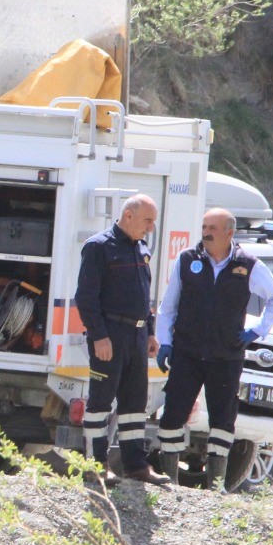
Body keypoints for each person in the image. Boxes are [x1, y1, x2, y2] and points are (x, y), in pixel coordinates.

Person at [155, 208, 273, 490]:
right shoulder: (187, 260)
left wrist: (258, 330)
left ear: (229, 233)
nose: (206, 232)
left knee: (223, 419)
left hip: (226, 356)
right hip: (187, 353)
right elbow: (168, 308)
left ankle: (216, 487)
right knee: (172, 415)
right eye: (204, 226)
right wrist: (165, 342)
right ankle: (170, 483)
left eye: (213, 228)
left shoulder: (247, 264)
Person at [75, 195, 168, 486]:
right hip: (110, 335)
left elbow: (145, 294)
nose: (151, 228)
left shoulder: (141, 248)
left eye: (153, 221)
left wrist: (151, 331)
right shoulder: (99, 246)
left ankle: (136, 466)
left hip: (137, 337)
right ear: (129, 215)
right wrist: (99, 336)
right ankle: (95, 468)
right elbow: (86, 297)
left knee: (134, 404)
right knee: (101, 402)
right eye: (147, 221)